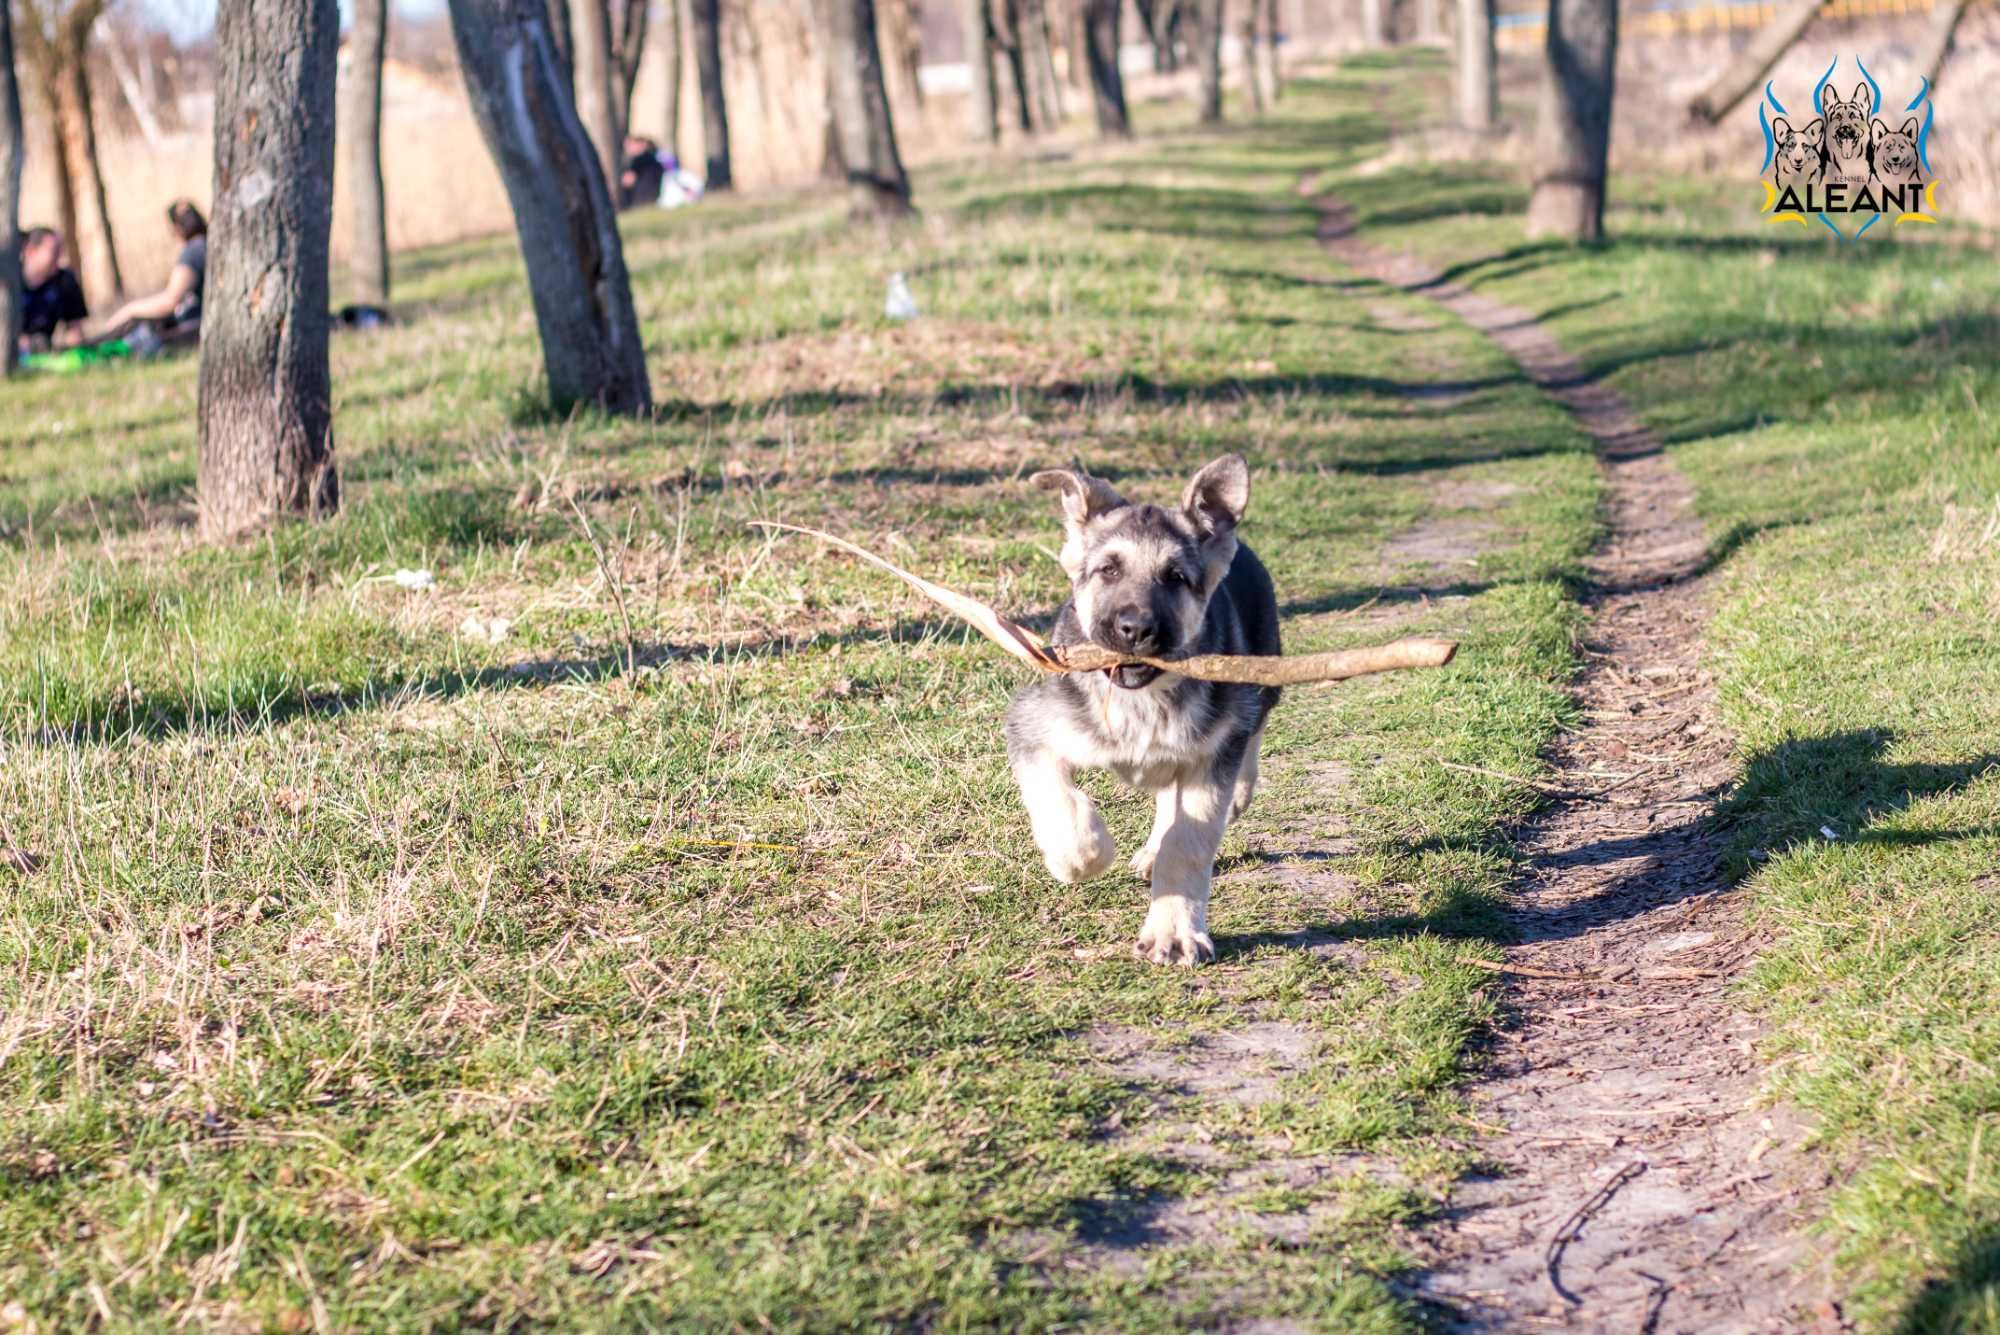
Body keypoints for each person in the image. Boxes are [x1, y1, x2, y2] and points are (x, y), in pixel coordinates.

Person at [99, 199, 206, 344]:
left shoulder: (193, 251)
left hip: (192, 327)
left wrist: (130, 310)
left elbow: (169, 301)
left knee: (136, 326)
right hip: (198, 322)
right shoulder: (208, 243)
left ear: (177, 228)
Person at [18, 226, 90, 354]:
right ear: (31, 251)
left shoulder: (65, 281)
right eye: (54, 251)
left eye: (61, 251)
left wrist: (75, 354)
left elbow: (75, 331)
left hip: (42, 349)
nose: (59, 257)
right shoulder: (9, 282)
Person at [618, 136, 668, 209]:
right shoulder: (653, 158)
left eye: (630, 145)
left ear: (641, 144)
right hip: (653, 198)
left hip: (640, 200)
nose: (627, 149)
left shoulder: (640, 160)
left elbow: (628, 180)